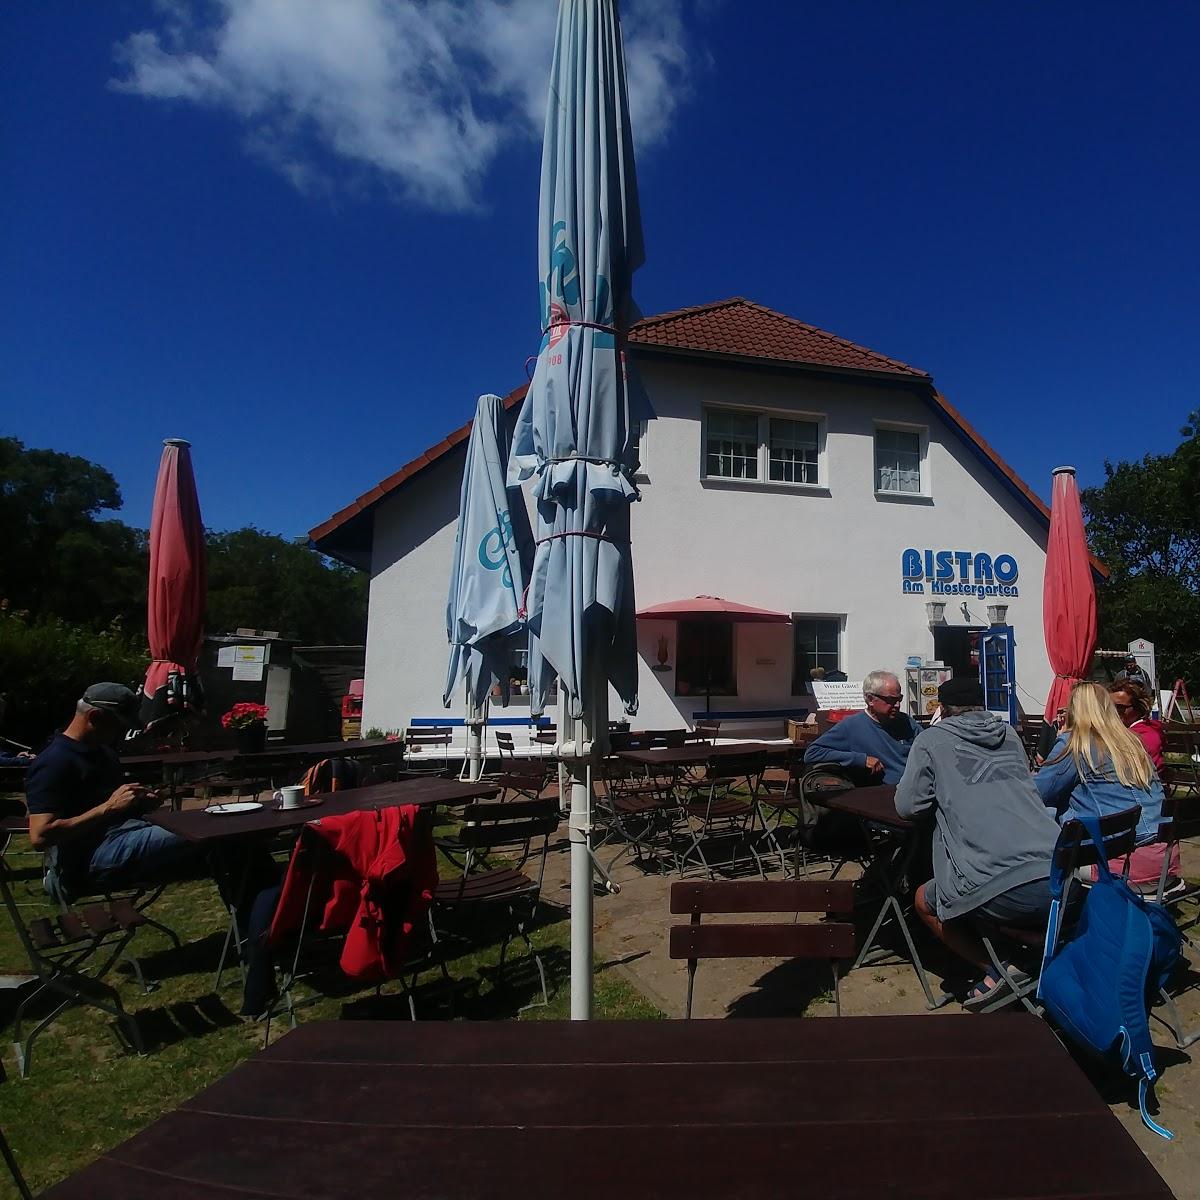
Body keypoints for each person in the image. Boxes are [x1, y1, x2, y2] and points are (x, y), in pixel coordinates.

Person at [25, 683, 279, 1014]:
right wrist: (108, 809)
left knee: (238, 846)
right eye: (118, 726)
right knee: (218, 830)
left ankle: (260, 944)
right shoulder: (54, 761)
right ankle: (261, 945)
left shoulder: (102, 752)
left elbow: (118, 807)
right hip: (90, 861)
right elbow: (40, 835)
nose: (120, 735)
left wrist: (139, 803)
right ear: (96, 717)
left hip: (127, 835)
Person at [896, 676, 1060, 1008]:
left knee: (925, 899)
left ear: (942, 709)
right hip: (1059, 876)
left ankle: (998, 967)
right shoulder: (1009, 734)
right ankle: (1022, 949)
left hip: (1003, 888)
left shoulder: (931, 740)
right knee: (986, 874)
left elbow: (908, 806)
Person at [1034, 681, 1178, 895]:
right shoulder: (1133, 741)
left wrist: (1059, 742)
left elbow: (1038, 794)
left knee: (1050, 810)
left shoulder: (1075, 743)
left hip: (1121, 864)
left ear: (1074, 711)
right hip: (1166, 862)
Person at [803, 670, 920, 785]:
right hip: (881, 794)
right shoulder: (851, 726)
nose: (898, 705)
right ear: (870, 699)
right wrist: (861, 759)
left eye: (899, 699)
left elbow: (929, 746)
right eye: (891, 700)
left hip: (916, 788)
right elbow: (813, 753)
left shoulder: (906, 722)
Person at [1107, 679, 1164, 770]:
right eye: (1109, 706)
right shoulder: (1115, 731)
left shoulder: (1146, 736)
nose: (1114, 711)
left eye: (1120, 707)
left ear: (1138, 709)